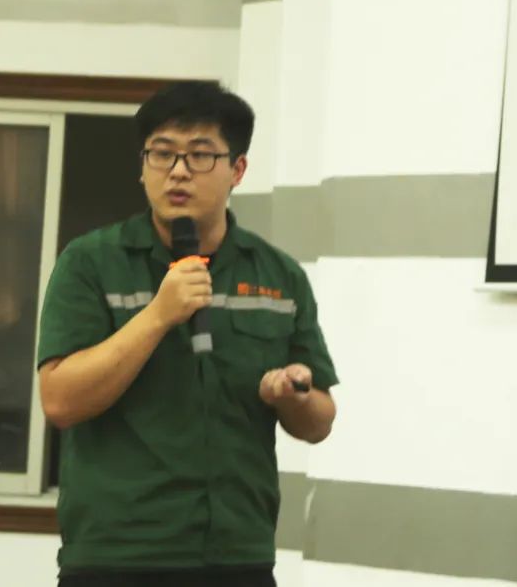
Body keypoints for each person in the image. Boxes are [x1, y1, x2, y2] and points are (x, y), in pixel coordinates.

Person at [37, 81, 339, 587]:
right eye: (161, 154)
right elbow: (60, 400)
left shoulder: (279, 275)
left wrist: (294, 395)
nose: (178, 171)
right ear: (142, 166)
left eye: (200, 155)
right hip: (117, 558)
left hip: (237, 556)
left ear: (237, 169)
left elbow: (320, 420)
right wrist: (158, 315)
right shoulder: (90, 263)